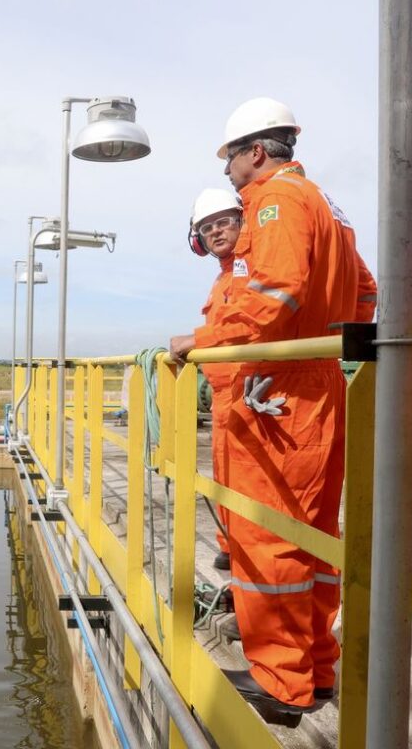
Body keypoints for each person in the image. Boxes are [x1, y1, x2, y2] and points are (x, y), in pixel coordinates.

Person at [194, 97, 374, 722]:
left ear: (256, 152)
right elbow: (366, 292)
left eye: (230, 159)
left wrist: (204, 340)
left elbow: (274, 292)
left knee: (266, 537)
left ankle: (281, 685)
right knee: (312, 538)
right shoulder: (325, 205)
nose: (228, 173)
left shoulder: (275, 201)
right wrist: (323, 348)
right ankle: (315, 669)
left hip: (276, 392)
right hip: (316, 383)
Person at [169, 188, 246, 573]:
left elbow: (249, 325)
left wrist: (196, 341)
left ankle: (246, 557)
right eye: (206, 227)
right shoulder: (224, 279)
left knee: (249, 484)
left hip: (249, 394)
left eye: (223, 222)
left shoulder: (252, 270)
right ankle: (231, 545)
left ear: (242, 223)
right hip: (224, 398)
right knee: (225, 478)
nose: (215, 232)